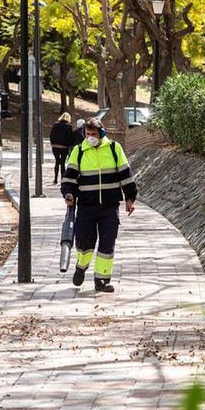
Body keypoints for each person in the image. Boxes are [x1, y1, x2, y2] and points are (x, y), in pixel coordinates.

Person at [61, 118, 137, 293]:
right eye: (87, 134)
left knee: (107, 244)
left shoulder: (114, 148)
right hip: (86, 207)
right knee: (85, 243)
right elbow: (69, 177)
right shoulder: (79, 151)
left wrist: (130, 198)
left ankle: (101, 280)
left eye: (93, 134)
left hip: (109, 207)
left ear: (102, 133)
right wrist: (68, 194)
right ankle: (81, 266)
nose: (90, 138)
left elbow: (126, 175)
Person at [49, 113, 74, 184]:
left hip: (55, 146)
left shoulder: (55, 125)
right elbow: (70, 137)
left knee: (57, 162)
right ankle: (62, 178)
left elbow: (51, 135)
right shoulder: (68, 126)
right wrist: (69, 145)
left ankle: (55, 179)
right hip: (64, 147)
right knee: (62, 163)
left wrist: (52, 144)